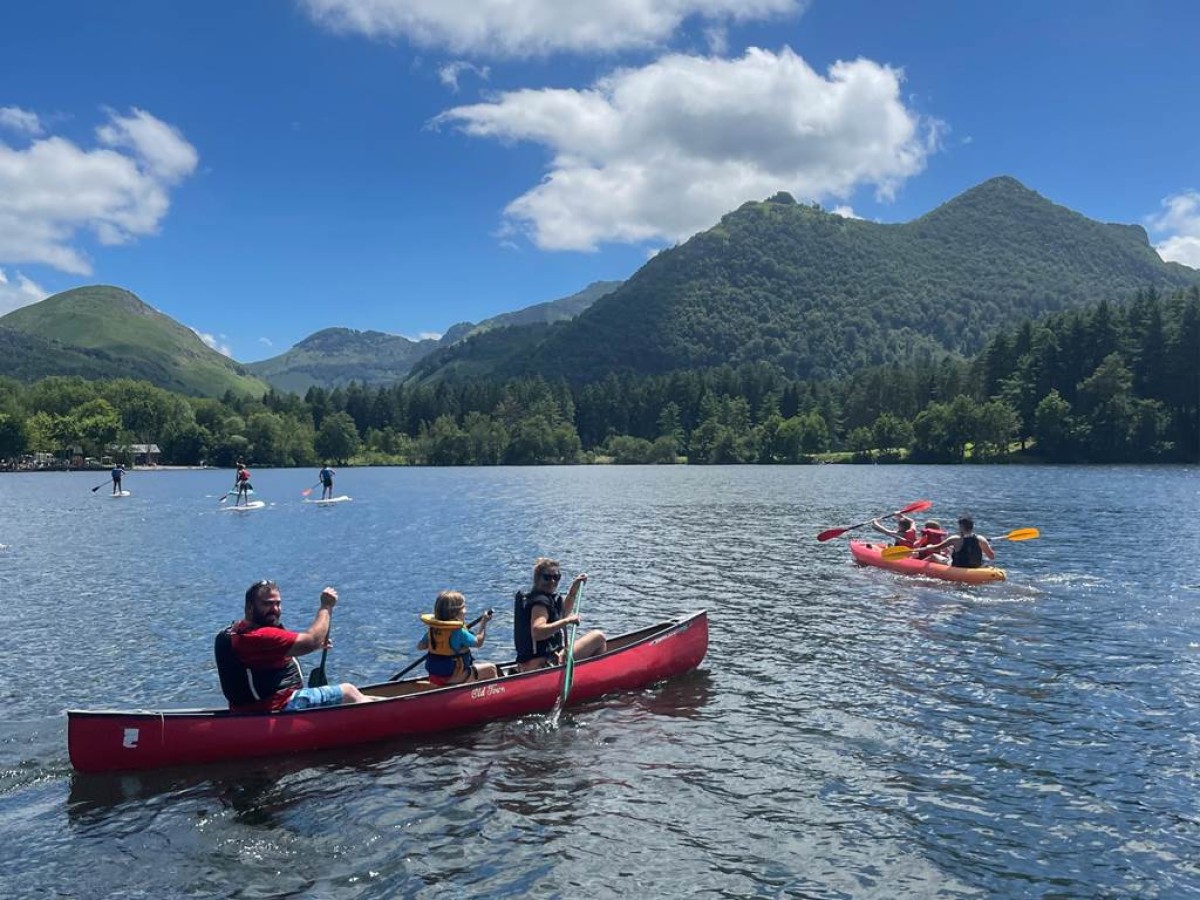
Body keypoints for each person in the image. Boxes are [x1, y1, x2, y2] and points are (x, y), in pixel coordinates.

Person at [214, 581, 374, 712]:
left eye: (278, 604)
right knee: (349, 692)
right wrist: (326, 607)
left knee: (357, 695)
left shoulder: (236, 632)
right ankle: (385, 720)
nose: (275, 610)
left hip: (252, 708)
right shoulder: (259, 636)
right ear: (249, 608)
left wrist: (316, 645)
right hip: (277, 706)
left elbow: (264, 657)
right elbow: (310, 640)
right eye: (268, 604)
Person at [514, 558, 606, 673]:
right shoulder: (540, 603)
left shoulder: (541, 597)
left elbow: (561, 615)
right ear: (537, 578)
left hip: (538, 661)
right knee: (599, 637)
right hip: (542, 664)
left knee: (596, 639)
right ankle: (594, 677)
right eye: (547, 577)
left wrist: (573, 590)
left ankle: (587, 676)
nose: (552, 581)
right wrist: (567, 621)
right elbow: (537, 632)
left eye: (556, 577)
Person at [416, 590, 498, 686]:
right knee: (491, 669)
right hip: (455, 677)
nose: (466, 611)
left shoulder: (433, 630)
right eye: (464, 607)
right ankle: (493, 697)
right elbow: (478, 642)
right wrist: (483, 623)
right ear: (456, 612)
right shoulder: (459, 632)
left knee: (476, 666)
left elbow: (420, 646)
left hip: (435, 677)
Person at [919, 516, 996, 568]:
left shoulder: (955, 539)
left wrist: (929, 546)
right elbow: (991, 557)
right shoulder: (981, 539)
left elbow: (936, 549)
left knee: (933, 556)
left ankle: (915, 567)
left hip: (958, 567)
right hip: (975, 566)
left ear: (961, 527)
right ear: (972, 526)